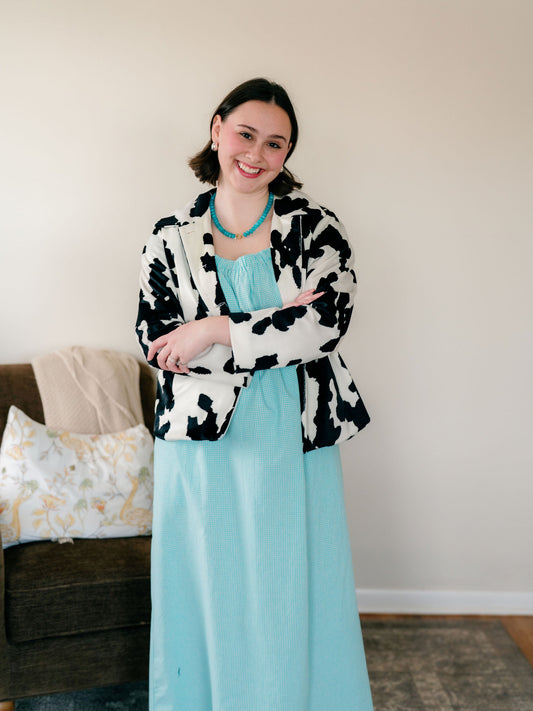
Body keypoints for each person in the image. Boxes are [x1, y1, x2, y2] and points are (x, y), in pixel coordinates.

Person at [136, 77, 373, 711]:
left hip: (295, 432)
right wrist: (275, 326)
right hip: (199, 439)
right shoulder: (169, 236)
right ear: (217, 130)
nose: (257, 153)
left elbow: (325, 324)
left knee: (289, 585)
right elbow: (159, 345)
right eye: (246, 134)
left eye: (276, 143)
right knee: (203, 586)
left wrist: (213, 329)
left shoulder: (316, 227)